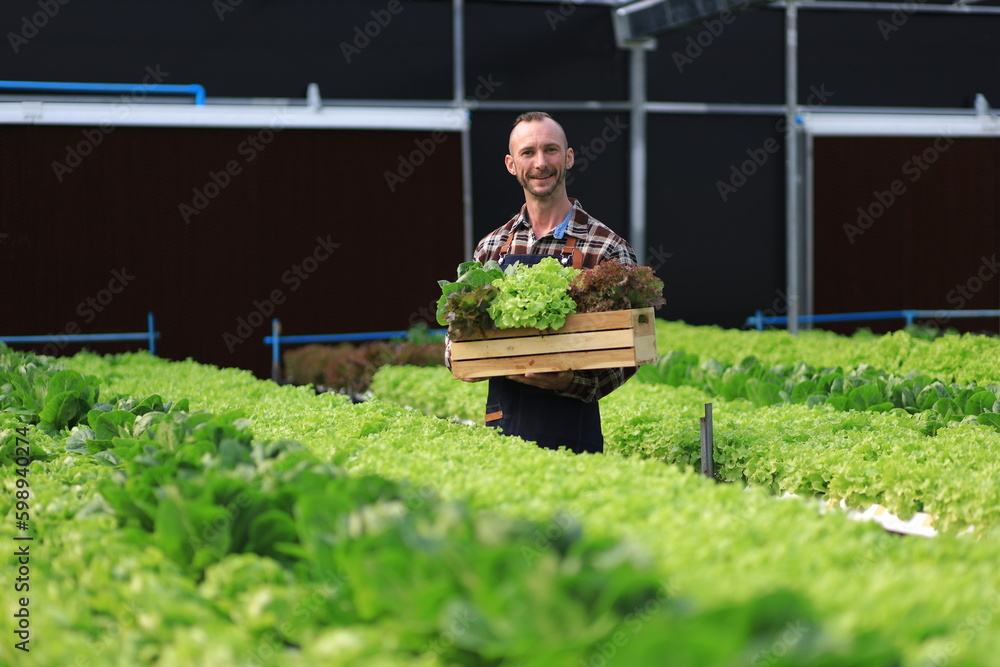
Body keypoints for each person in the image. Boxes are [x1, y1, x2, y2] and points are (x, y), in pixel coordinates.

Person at [467, 111, 639, 454]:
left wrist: (570, 381)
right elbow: (457, 333)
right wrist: (465, 358)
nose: (540, 163)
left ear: (569, 157)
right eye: (527, 153)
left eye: (551, 150)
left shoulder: (607, 248)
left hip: (573, 430)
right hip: (500, 425)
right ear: (511, 164)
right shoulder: (492, 248)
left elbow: (630, 350)